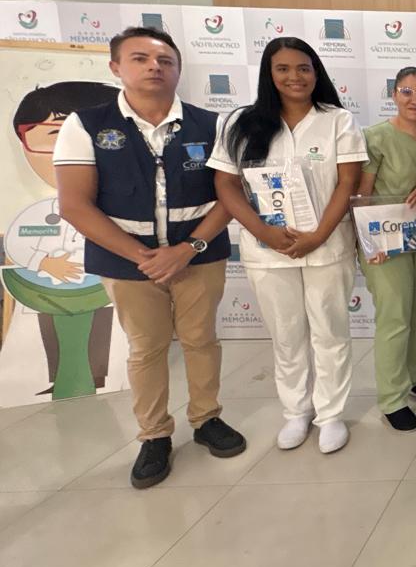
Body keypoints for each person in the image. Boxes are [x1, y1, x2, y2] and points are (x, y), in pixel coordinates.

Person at [54, 27, 244, 489]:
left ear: (178, 70)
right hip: (127, 261)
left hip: (198, 253)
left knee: (201, 339)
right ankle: (154, 435)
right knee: (146, 347)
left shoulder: (212, 124)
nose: (154, 67)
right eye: (140, 58)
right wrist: (144, 256)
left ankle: (207, 418)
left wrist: (187, 249)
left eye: (165, 61)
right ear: (116, 67)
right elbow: (75, 204)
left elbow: (230, 196)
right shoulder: (86, 125)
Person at [209, 37, 367, 456]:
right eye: (283, 69)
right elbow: (226, 185)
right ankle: (296, 411)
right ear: (269, 74)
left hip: (326, 246)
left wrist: (318, 235)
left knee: (330, 332)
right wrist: (262, 231)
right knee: (287, 335)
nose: (294, 77)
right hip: (268, 251)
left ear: (316, 73)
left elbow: (348, 183)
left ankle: (330, 415)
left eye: (303, 68)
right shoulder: (240, 123)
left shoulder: (337, 120)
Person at [5, 80, 118, 400]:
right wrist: (43, 262)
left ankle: (92, 377)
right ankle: (66, 378)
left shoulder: (123, 205)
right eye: (55, 135)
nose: (75, 153)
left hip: (103, 287)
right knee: (56, 330)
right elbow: (16, 245)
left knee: (103, 330)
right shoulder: (34, 211)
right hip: (50, 290)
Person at [356, 67, 416, 432]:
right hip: (384, 242)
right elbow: (362, 195)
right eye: (407, 92)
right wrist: (369, 243)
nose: (415, 100)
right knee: (394, 316)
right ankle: (392, 397)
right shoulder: (375, 137)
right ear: (394, 95)